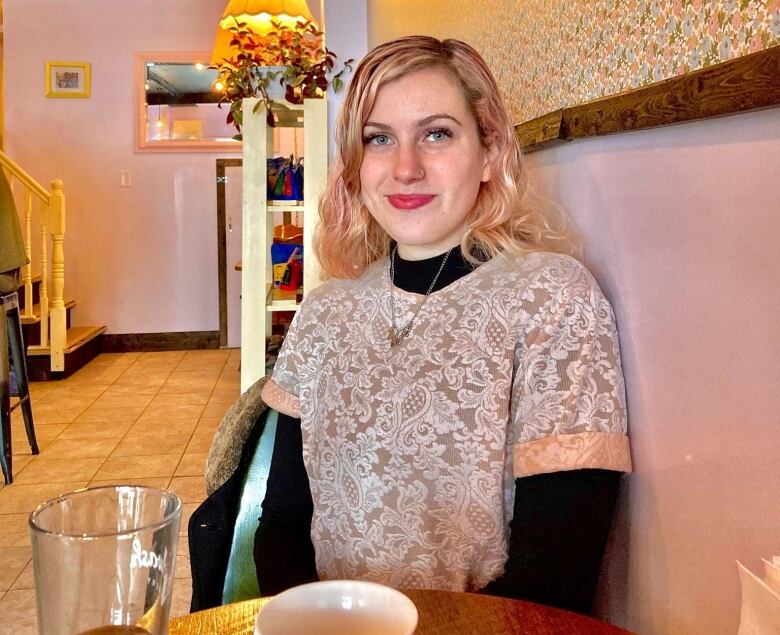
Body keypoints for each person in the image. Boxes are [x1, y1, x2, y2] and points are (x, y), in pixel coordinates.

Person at [256, 35, 631, 615]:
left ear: (489, 152)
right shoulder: (324, 312)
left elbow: (556, 577)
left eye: (436, 134)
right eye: (379, 139)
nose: (406, 168)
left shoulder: (550, 300)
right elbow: (281, 523)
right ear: (357, 167)